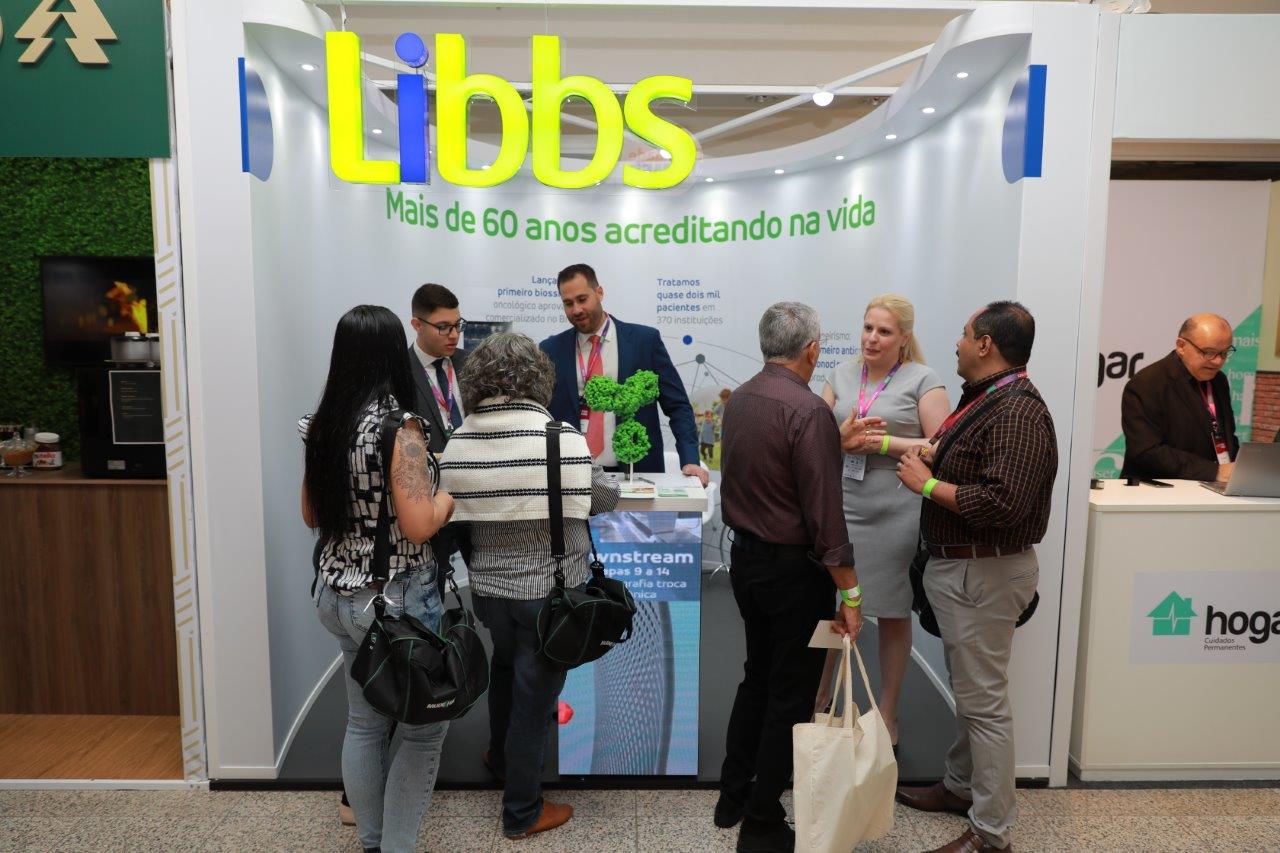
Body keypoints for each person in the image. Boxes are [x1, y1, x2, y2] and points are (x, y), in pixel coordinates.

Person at [440, 333, 620, 840]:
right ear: (540, 378)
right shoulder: (559, 437)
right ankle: (522, 811)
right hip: (549, 592)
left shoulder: (460, 439)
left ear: (477, 380)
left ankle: (500, 759)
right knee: (534, 699)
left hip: (488, 590)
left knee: (505, 667)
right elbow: (603, 498)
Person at [894, 301, 1057, 853]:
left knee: (984, 705)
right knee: (973, 693)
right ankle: (960, 786)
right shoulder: (985, 398)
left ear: (986, 344)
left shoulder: (1017, 411)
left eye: (965, 334)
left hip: (983, 571)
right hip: (966, 570)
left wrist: (925, 484)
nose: (957, 342)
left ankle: (991, 833)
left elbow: (1003, 504)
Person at [717, 301, 878, 853]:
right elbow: (825, 520)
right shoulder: (808, 411)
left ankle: (733, 795)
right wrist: (851, 592)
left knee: (757, 676)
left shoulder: (741, 398)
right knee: (790, 694)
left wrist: (832, 443)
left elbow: (771, 470)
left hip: (747, 563)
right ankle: (762, 820)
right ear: (812, 349)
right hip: (793, 573)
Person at [299, 305, 455, 853]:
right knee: (423, 730)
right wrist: (446, 497)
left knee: (364, 724)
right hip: (395, 600)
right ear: (393, 354)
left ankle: (373, 843)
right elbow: (419, 524)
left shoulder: (323, 426)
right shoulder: (401, 430)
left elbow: (311, 514)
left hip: (337, 595)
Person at [820, 293, 950, 752]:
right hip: (841, 504)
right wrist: (841, 440)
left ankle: (887, 714)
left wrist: (883, 444)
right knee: (835, 608)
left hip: (897, 508)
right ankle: (821, 705)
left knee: (892, 614)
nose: (872, 338)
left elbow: (940, 445)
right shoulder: (840, 374)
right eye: (868, 327)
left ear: (904, 338)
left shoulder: (923, 379)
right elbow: (817, 438)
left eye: (884, 331)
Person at [540, 263, 709, 486]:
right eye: (568, 303)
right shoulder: (550, 350)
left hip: (637, 475)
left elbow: (678, 406)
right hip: (572, 478)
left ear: (599, 293)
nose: (576, 310)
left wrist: (690, 460)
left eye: (582, 299)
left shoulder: (645, 341)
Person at [1121, 313, 1239, 482]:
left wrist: (1239, 469)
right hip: (1156, 489)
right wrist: (1215, 472)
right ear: (1181, 346)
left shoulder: (1219, 380)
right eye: (1209, 353)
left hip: (1212, 488)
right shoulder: (1147, 383)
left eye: (1224, 353)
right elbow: (1146, 451)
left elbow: (1226, 436)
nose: (1218, 361)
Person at [409, 283, 470, 451]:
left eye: (457, 325)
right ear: (417, 325)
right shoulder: (401, 370)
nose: (454, 335)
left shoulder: (472, 362)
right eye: (443, 327)